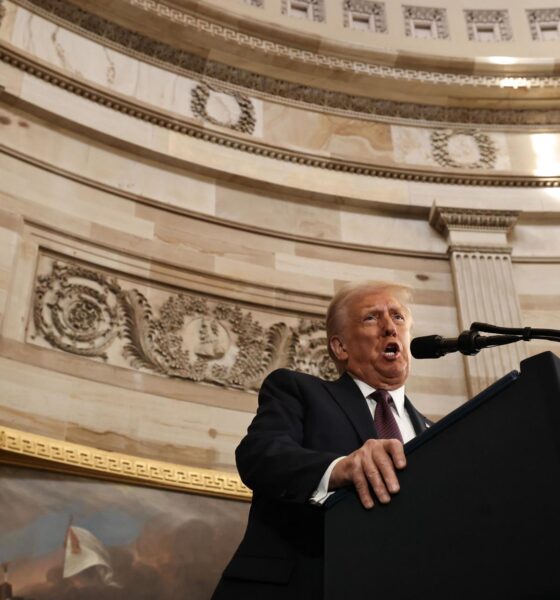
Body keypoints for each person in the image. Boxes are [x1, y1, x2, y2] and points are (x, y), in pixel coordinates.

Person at [212, 281, 432, 600]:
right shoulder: (298, 391)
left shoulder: (433, 431)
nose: (389, 327)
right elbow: (260, 455)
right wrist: (340, 469)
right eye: (372, 318)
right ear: (340, 347)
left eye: (398, 317)